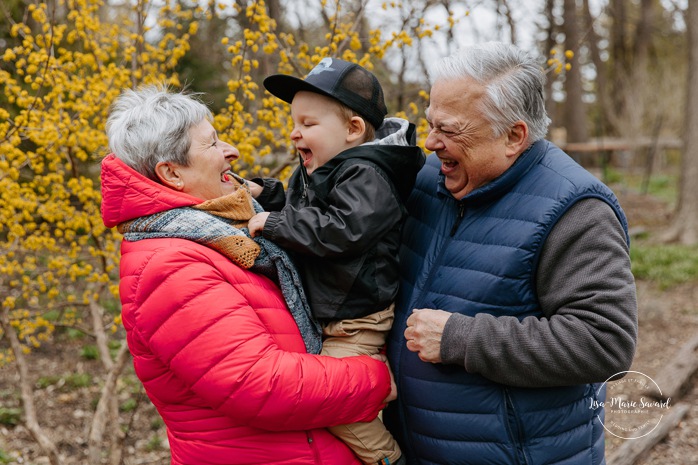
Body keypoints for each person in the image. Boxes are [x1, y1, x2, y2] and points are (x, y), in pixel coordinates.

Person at [100, 84, 397, 465]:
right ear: (172, 173)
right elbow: (262, 385)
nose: (231, 151)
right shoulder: (170, 267)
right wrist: (381, 379)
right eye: (211, 144)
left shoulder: (223, 232)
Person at [383, 42, 638, 465]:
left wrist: (462, 339)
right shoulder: (433, 178)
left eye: (450, 130)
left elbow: (605, 342)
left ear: (514, 136)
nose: (431, 142)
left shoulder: (575, 211)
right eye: (430, 124)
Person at [247, 57, 425, 465]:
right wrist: (267, 194)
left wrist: (275, 224)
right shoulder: (321, 167)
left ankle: (389, 459)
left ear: (352, 129)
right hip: (331, 317)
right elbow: (302, 207)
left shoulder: (369, 174)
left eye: (308, 124)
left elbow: (342, 229)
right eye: (294, 122)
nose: (294, 133)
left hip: (357, 320)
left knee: (334, 406)